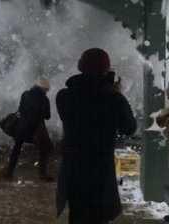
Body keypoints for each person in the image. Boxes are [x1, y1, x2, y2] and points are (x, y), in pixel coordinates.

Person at [56, 48, 136, 224]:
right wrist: (117, 94)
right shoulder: (113, 99)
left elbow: (80, 113)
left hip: (74, 168)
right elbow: (130, 128)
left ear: (80, 66)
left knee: (77, 215)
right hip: (100, 170)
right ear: (106, 69)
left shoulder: (64, 96)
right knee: (99, 217)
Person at [5, 78, 54, 181]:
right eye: (47, 90)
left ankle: (9, 172)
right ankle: (42, 174)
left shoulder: (25, 94)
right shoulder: (44, 100)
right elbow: (47, 116)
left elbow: (21, 109)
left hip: (21, 127)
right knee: (44, 149)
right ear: (44, 89)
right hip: (35, 130)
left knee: (16, 149)